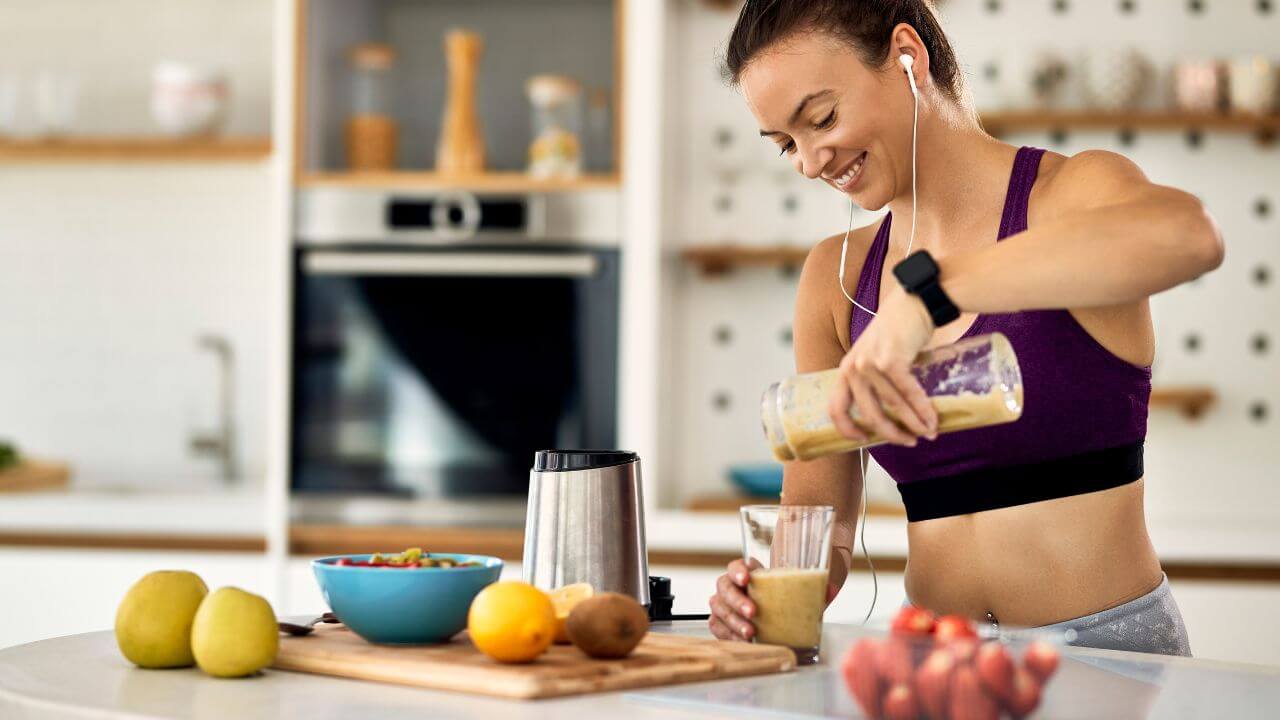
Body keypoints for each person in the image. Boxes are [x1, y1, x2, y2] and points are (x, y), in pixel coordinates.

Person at [708, 0, 1223, 656]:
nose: (810, 162)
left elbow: (1190, 236)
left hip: (1110, 658)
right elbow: (822, 522)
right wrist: (768, 590)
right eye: (786, 143)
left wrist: (928, 296)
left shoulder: (1069, 196)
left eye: (821, 119)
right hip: (933, 659)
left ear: (907, 55)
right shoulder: (837, 278)